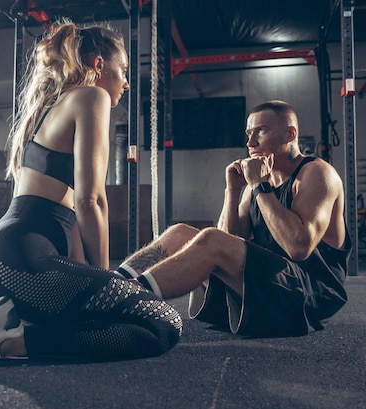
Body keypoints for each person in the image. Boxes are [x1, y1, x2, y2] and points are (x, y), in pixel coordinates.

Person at [0, 19, 182, 360]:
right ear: (99, 65)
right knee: (164, 323)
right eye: (123, 70)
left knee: (100, 322)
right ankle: (2, 343)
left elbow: (69, 217)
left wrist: (90, 283)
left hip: (0, 256)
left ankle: (6, 317)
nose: (127, 82)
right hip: (23, 258)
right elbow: (90, 200)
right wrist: (105, 278)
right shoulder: (93, 96)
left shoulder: (50, 107)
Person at [116, 100, 351, 337]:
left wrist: (260, 185)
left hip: (308, 292)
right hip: (269, 283)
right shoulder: (258, 184)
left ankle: (122, 303)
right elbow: (229, 239)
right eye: (249, 133)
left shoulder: (317, 174)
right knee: (180, 233)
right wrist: (233, 190)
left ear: (290, 134)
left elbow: (299, 247)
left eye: (261, 131)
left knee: (210, 238)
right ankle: (112, 285)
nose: (250, 143)